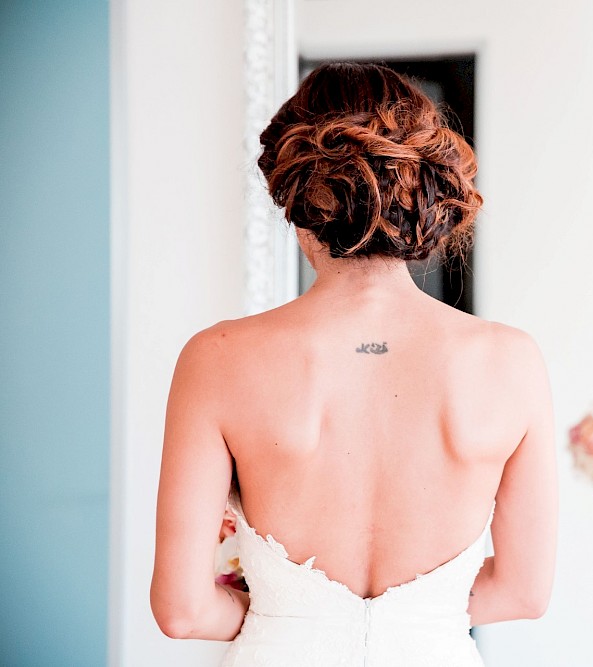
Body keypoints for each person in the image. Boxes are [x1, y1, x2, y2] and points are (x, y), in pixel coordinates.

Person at [150, 62, 558, 666]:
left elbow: (183, 613)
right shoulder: (512, 360)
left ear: (294, 196)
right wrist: (410, 621)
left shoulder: (216, 358)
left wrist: (287, 617)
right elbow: (524, 592)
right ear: (424, 192)